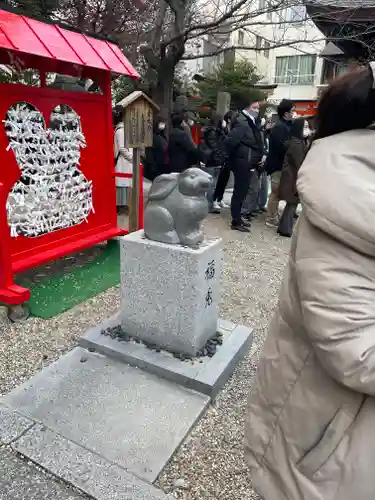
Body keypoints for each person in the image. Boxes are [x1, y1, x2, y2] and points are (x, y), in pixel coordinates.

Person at [245, 65, 375, 500]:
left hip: (341, 443)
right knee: (282, 213)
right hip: (325, 443)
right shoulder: (348, 194)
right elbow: (356, 351)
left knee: (283, 214)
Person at [225, 101, 264, 232]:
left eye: (258, 108)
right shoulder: (243, 122)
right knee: (239, 192)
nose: (257, 110)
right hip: (242, 162)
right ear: (247, 108)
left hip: (247, 162)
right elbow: (230, 141)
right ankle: (235, 220)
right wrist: (234, 158)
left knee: (243, 192)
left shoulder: (250, 122)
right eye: (254, 107)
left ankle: (238, 218)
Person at [265, 99, 295, 227]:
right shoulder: (279, 127)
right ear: (285, 113)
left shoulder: (288, 125)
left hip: (284, 164)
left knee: (280, 191)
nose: (294, 113)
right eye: (292, 111)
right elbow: (281, 146)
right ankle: (271, 217)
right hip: (277, 165)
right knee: (276, 192)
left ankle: (275, 215)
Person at [277, 118, 309, 237]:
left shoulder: (298, 142)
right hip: (292, 178)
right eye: (305, 127)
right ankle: (285, 229)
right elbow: (299, 162)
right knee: (292, 203)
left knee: (292, 204)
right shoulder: (296, 144)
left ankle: (284, 227)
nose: (307, 129)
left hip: (291, 177)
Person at [200, 112, 226, 213]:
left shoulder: (214, 131)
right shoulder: (213, 132)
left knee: (211, 183)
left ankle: (208, 204)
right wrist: (220, 155)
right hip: (212, 160)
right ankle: (209, 205)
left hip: (213, 159)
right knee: (211, 184)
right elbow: (215, 146)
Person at [211, 110, 235, 210]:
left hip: (228, 158)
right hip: (221, 158)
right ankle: (214, 199)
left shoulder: (232, 128)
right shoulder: (219, 130)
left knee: (224, 180)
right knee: (219, 181)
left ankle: (220, 199)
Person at [113, 105, 133, 210]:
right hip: (122, 160)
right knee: (122, 184)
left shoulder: (121, 129)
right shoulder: (121, 130)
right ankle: (121, 206)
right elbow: (122, 148)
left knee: (123, 184)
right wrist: (132, 158)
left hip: (124, 160)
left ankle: (123, 205)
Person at [143, 116, 168, 182]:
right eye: (161, 123)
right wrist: (153, 166)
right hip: (154, 166)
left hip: (160, 165)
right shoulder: (152, 136)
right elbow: (149, 153)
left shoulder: (161, 135)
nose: (163, 125)